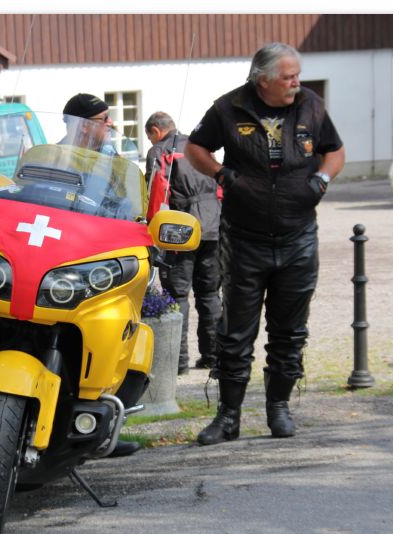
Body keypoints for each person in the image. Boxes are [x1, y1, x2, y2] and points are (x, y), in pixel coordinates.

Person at [184, 42, 345, 445]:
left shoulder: (311, 105)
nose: (296, 82)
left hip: (298, 237)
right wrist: (224, 177)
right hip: (244, 240)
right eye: (288, 76)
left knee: (290, 332)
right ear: (263, 80)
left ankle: (279, 410)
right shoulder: (228, 108)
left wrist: (320, 181)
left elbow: (335, 151)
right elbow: (194, 148)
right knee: (236, 332)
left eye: (297, 75)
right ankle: (228, 418)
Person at [60, 93, 141, 458]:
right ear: (79, 124)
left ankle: (104, 427)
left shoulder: (116, 163)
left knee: (119, 334)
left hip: (98, 257)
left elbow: (130, 210)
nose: (109, 126)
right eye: (102, 120)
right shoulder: (51, 154)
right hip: (58, 254)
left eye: (108, 119)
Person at [144, 111, 221, 376]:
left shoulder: (159, 152)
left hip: (180, 229)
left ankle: (178, 361)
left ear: (155, 131)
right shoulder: (200, 147)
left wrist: (151, 231)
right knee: (210, 293)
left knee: (177, 294)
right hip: (214, 225)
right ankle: (212, 355)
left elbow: (156, 193)